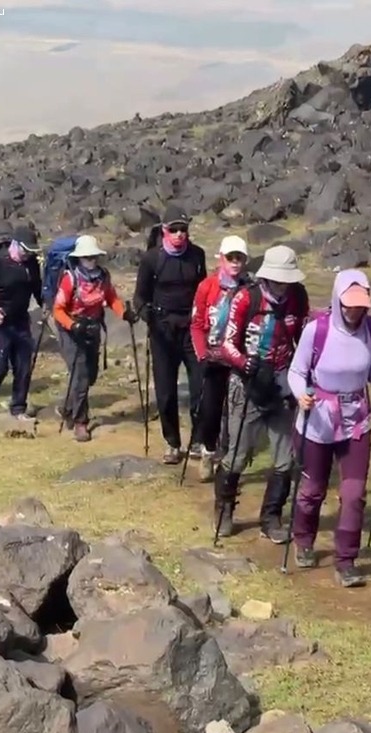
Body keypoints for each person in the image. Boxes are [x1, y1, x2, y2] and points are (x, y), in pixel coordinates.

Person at [287, 269, 371, 587]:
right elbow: (297, 371)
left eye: (360, 305)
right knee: (313, 490)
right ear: (337, 301)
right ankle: (303, 540)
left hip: (356, 422)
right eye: (349, 305)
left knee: (353, 494)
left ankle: (346, 561)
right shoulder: (316, 331)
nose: (355, 311)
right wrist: (301, 395)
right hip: (318, 420)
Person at [215, 245, 309, 541]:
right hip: (247, 384)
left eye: (287, 280)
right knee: (238, 456)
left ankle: (271, 517)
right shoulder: (246, 297)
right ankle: (224, 510)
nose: (283, 285)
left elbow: (302, 339)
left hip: (283, 383)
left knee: (285, 458)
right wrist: (245, 362)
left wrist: (303, 372)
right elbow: (227, 343)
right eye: (278, 279)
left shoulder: (298, 297)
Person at [133, 204, 206, 464]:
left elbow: (204, 291)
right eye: (174, 229)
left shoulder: (197, 255)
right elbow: (139, 297)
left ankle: (198, 440)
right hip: (162, 330)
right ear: (164, 230)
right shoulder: (152, 259)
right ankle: (172, 443)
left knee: (200, 387)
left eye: (183, 229)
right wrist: (147, 315)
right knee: (165, 392)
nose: (179, 234)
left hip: (191, 328)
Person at [52, 234, 135, 442]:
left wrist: (124, 313)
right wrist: (73, 325)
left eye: (93, 256)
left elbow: (111, 298)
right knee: (80, 374)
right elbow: (58, 310)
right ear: (79, 258)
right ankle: (81, 422)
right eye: (87, 257)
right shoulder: (70, 279)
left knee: (90, 375)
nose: (91, 260)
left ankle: (67, 408)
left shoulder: (103, 276)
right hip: (70, 329)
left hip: (92, 327)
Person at [190, 235, 251, 481]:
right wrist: (201, 353)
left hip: (238, 357)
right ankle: (208, 452)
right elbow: (196, 324)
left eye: (239, 258)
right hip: (213, 357)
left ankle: (230, 459)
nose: (235, 262)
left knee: (237, 411)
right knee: (211, 409)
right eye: (230, 257)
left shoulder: (250, 288)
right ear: (221, 259)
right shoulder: (207, 286)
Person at [0, 225, 43, 419]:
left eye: (31, 251)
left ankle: (18, 408)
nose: (28, 254)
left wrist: (46, 305)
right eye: (25, 250)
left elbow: (37, 288)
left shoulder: (31, 264)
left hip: (20, 318)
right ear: (15, 244)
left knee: (23, 366)